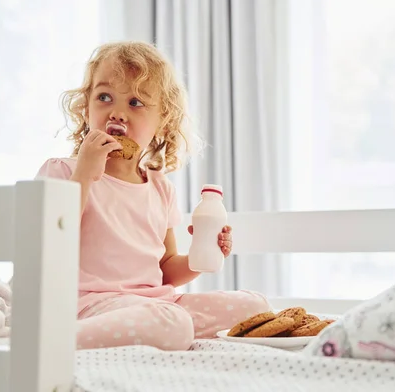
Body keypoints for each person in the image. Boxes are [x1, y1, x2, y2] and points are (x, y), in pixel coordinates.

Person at [37, 41, 270, 351]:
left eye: (135, 102)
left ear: (162, 121)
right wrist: (85, 175)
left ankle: (155, 328)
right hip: (86, 305)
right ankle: (47, 343)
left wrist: (202, 257)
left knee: (255, 307)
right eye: (104, 97)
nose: (117, 112)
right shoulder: (64, 173)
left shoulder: (160, 188)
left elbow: (166, 269)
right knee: (172, 323)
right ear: (86, 108)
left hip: (154, 304)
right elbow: (48, 241)